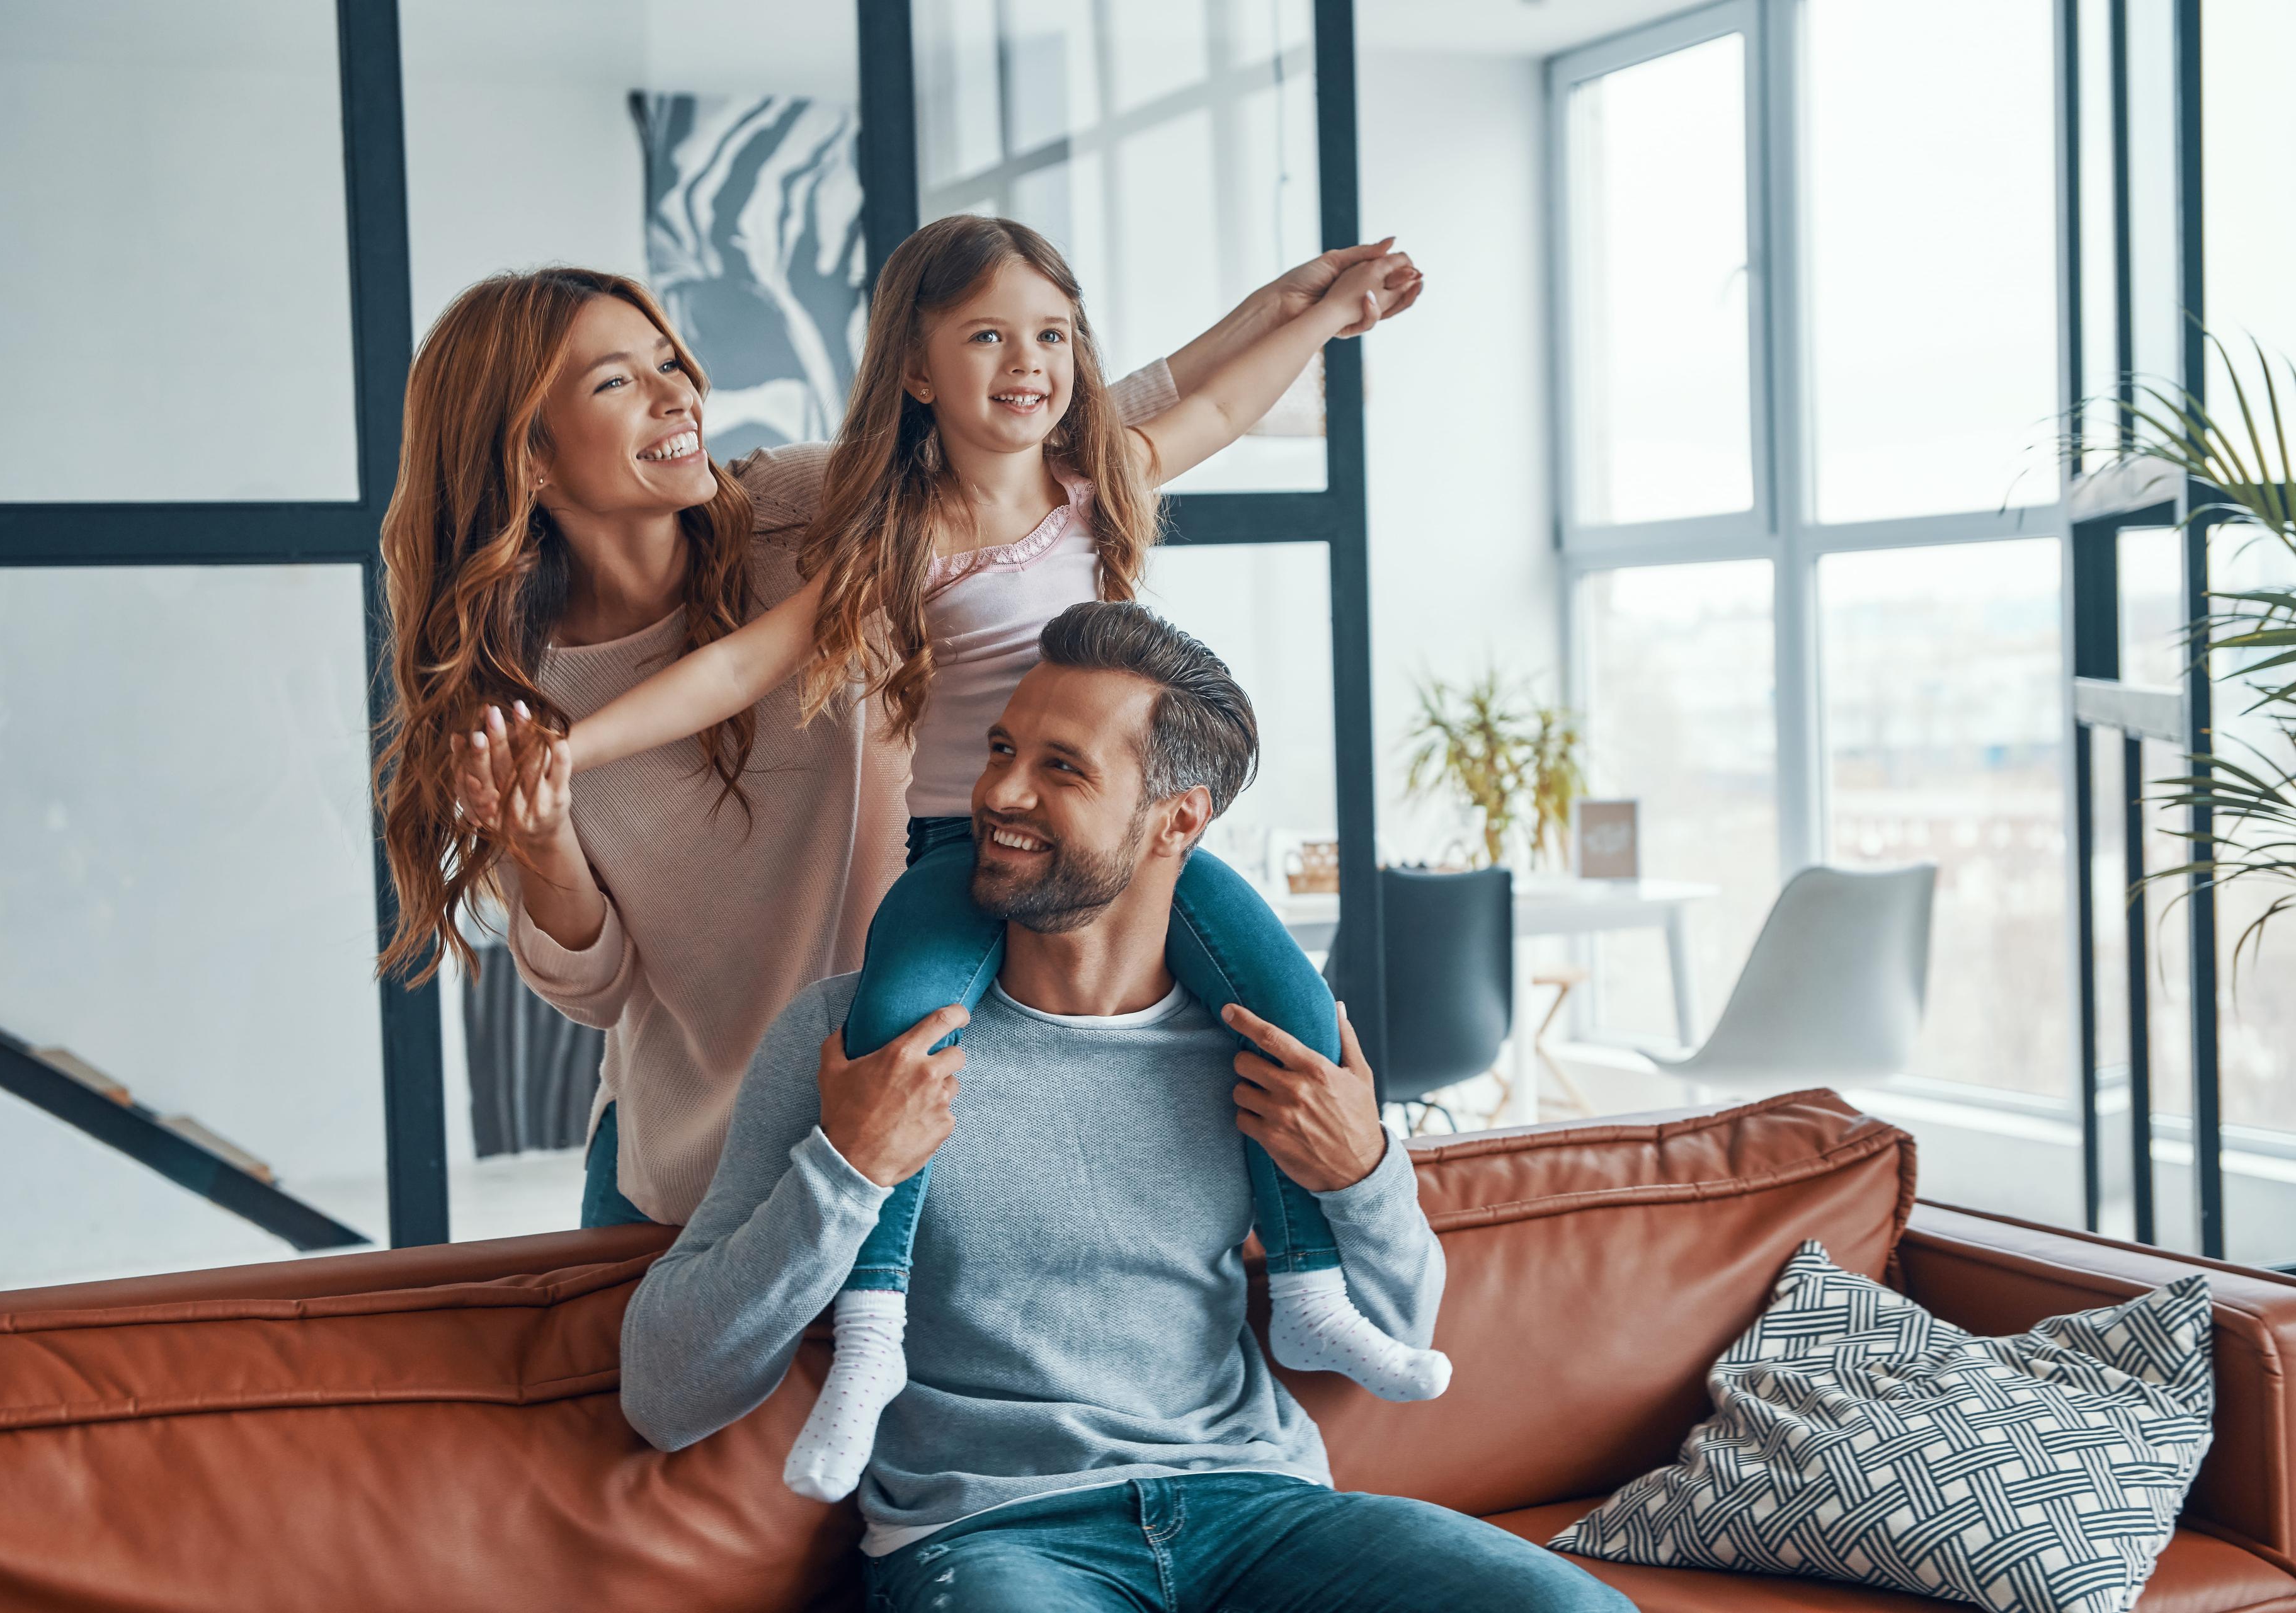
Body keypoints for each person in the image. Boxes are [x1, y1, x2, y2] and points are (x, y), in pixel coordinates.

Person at [505, 217, 1442, 1502]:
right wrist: (568, 751)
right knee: (899, 1048)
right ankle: (874, 1343)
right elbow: (742, 663)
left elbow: (1209, 395)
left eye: (1052, 336)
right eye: (988, 338)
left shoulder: (1091, 476)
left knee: (1287, 1008)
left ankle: (1320, 1292)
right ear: (916, 371)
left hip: (1101, 850)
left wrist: (1312, 313)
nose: (1028, 364)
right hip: (956, 852)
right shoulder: (899, 528)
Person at [376, 243, 1421, 1231]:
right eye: (617, 383)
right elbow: (593, 988)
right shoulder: (520, 706)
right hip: (697, 1165)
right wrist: (544, 831)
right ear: (531, 457)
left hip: (923, 1109)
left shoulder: (805, 509)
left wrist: (1279, 315)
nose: (676, 395)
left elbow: (1037, 452)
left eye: (669, 360)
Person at [618, 603, 1631, 1613]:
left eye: (1063, 768)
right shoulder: (855, 1041)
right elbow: (666, 1391)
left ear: (1178, 820)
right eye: (1003, 748)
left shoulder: (1260, 1047)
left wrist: (1364, 1170)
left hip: (1258, 1507)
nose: (1000, 792)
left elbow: (1398, 1327)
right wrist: (846, 1170)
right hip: (991, 1532)